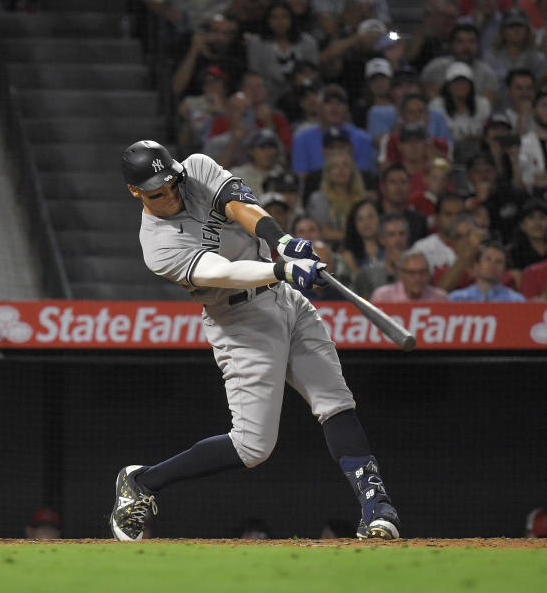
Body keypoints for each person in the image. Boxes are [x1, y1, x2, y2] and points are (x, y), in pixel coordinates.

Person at [110, 140, 401, 542]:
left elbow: (238, 205)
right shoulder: (157, 246)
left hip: (285, 300)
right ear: (135, 192)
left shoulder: (194, 168)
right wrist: (281, 269)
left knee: (335, 402)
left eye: (173, 183)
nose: (172, 194)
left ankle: (377, 508)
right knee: (252, 448)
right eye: (159, 191)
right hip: (238, 320)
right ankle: (143, 481)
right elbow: (222, 272)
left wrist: (282, 242)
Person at [246, 0, 318, 105]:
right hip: (268, 97)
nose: (280, 22)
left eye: (285, 17)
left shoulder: (307, 42)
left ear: (291, 19)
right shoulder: (257, 43)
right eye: (274, 17)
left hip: (302, 97)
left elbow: (313, 73)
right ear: (267, 20)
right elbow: (254, 73)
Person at [305, 147, 365, 245]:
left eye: (345, 165)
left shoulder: (362, 200)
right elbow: (324, 233)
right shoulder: (319, 199)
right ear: (328, 173)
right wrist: (357, 237)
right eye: (335, 166)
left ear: (352, 171)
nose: (341, 169)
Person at [352, 213, 409, 298]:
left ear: (408, 237)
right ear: (382, 239)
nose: (398, 240)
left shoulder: (420, 273)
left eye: (401, 234)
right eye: (391, 235)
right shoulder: (366, 275)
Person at [448, 241, 526, 301]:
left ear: (505, 271)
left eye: (498, 262)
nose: (492, 265)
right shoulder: (457, 298)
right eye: (488, 259)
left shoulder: (516, 301)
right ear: (477, 266)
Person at [410, 193, 466, 270]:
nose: (454, 219)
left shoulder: (474, 245)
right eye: (448, 214)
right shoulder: (422, 249)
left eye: (459, 214)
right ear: (437, 218)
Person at [370, 249, 450, 302]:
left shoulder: (440, 298)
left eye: (422, 272)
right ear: (400, 274)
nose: (418, 278)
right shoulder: (382, 296)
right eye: (412, 273)